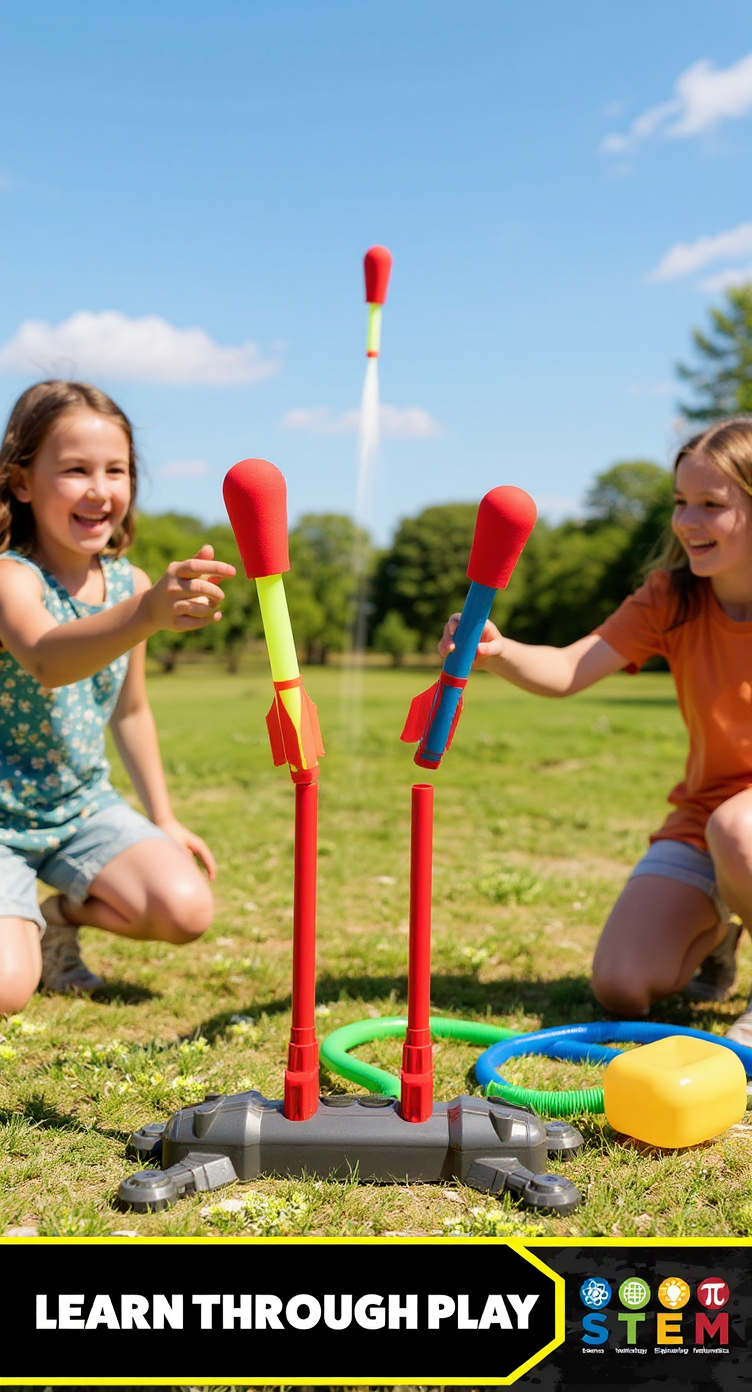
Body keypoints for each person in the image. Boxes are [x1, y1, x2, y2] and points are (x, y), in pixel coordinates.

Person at [439, 417, 752, 1044]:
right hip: (707, 818)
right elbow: (566, 669)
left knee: (738, 829)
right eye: (680, 503)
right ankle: (724, 931)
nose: (687, 522)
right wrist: (499, 652)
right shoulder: (672, 598)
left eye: (711, 505)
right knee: (621, 986)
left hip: (741, 827)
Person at [0, 380, 236, 1014]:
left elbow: (130, 710)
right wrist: (148, 612)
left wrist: (164, 817)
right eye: (75, 470)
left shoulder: (126, 582)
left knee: (185, 909)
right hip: (0, 819)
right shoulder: (10, 577)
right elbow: (48, 658)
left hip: (80, 810)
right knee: (6, 988)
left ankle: (56, 920)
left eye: (117, 470)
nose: (100, 489)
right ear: (22, 482)